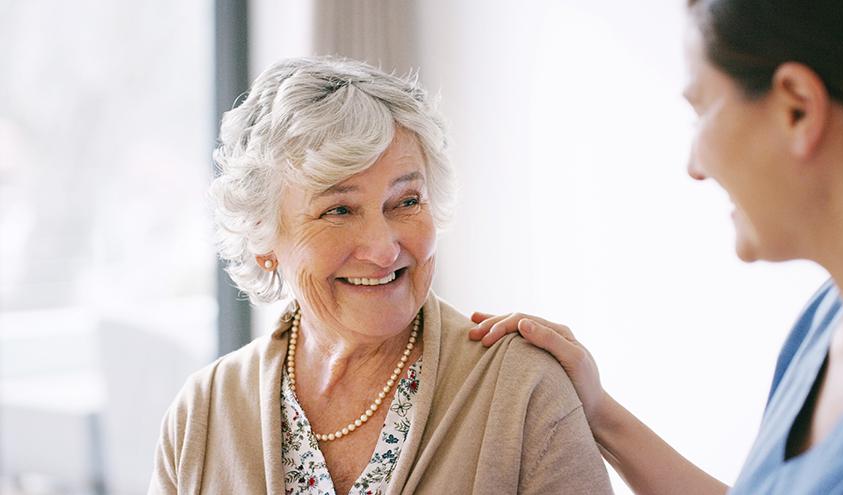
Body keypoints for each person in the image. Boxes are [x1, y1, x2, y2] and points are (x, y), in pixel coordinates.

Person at [470, 0, 843, 493]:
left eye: (702, 109)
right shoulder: (827, 322)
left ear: (797, 107)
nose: (696, 165)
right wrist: (600, 411)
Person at [149, 57, 612, 494]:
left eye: (406, 201)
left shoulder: (523, 389)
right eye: (339, 210)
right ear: (262, 238)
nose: (383, 248)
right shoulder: (202, 415)